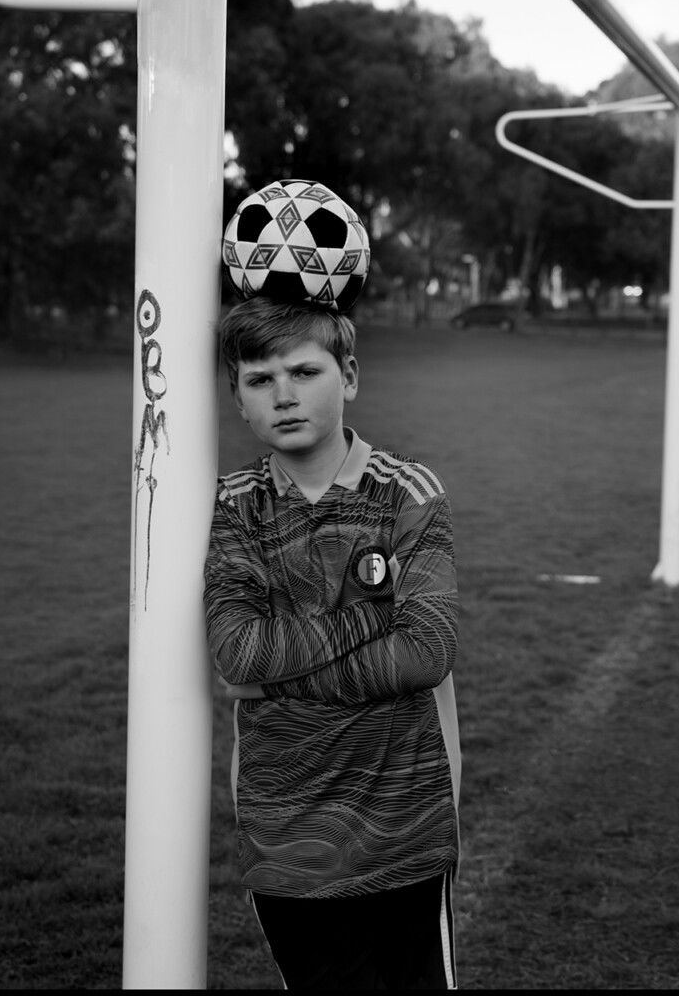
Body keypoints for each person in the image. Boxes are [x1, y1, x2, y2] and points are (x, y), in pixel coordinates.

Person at [203, 295, 462, 990]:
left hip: (401, 821)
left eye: (303, 371)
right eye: (260, 380)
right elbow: (236, 655)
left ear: (348, 375)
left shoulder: (406, 494)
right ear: (237, 398)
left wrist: (275, 671)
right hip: (286, 828)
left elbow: (427, 652)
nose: (283, 395)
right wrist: (373, 618)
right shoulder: (232, 506)